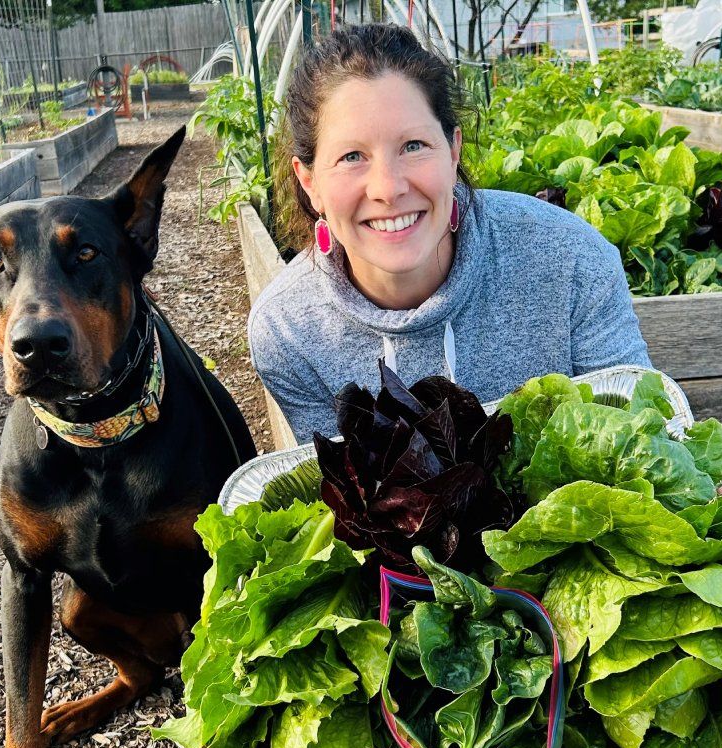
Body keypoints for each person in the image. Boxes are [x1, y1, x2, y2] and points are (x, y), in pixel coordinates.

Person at [247, 23, 651, 444]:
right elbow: (342, 495)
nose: (389, 188)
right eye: (352, 156)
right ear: (310, 182)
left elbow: (645, 438)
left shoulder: (569, 260)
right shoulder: (288, 329)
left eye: (414, 146)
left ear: (453, 151)